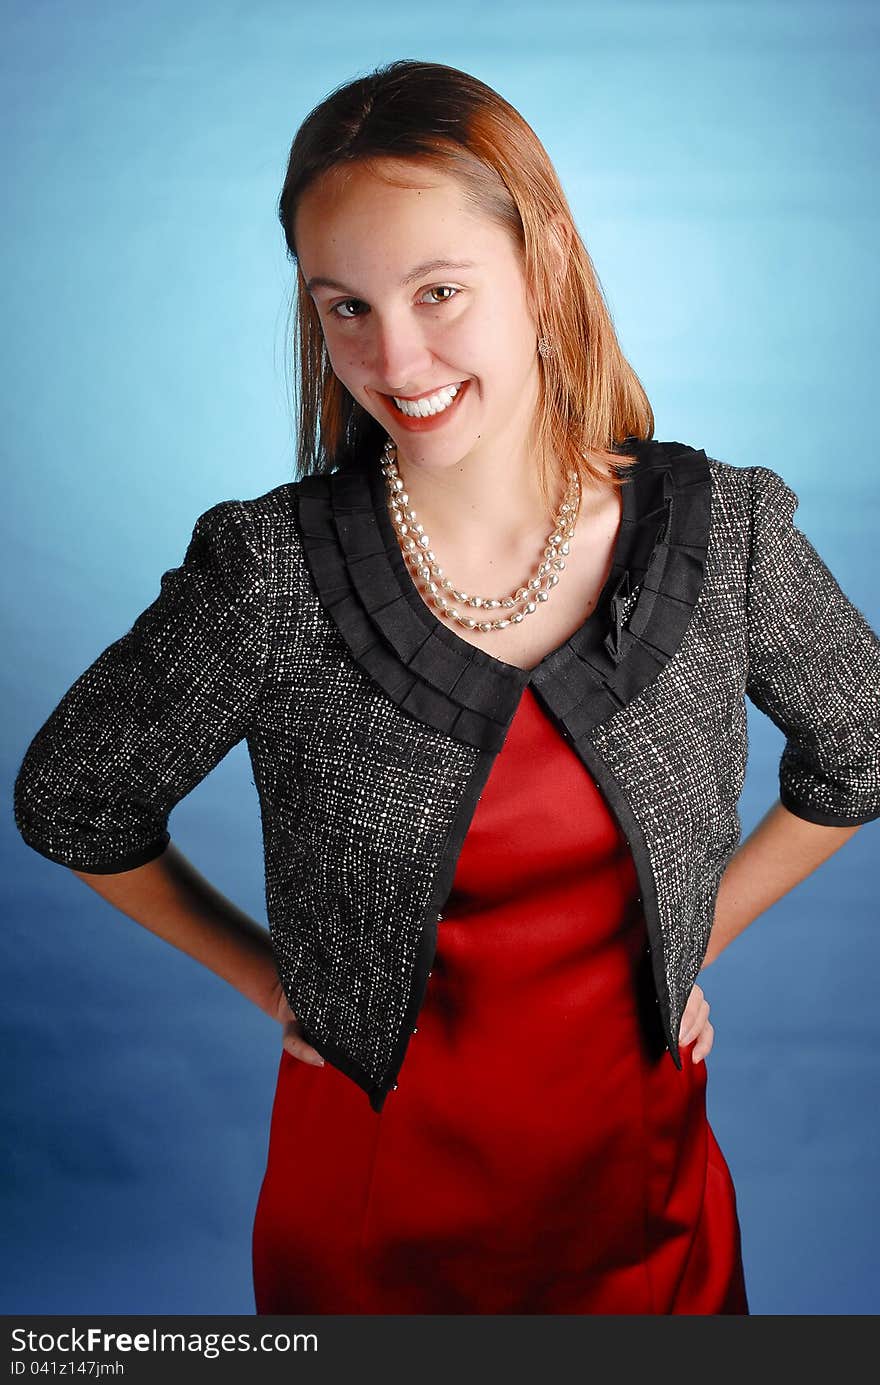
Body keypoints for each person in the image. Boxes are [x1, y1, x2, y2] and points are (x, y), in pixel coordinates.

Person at [13, 59, 880, 1316]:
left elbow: (863, 744)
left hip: (643, 1192)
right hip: (375, 1207)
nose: (394, 353)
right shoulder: (270, 572)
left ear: (545, 263)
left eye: (438, 291)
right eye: (344, 306)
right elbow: (74, 796)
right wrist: (274, 980)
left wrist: (693, 936)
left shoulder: (720, 531)